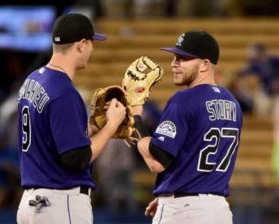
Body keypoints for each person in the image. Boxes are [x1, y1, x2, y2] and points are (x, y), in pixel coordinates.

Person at [16, 13, 126, 224]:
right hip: (59, 203)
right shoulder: (64, 92)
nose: (92, 49)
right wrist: (111, 125)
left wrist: (87, 130)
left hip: (31, 203)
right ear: (81, 44)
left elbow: (47, 135)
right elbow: (76, 158)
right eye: (92, 43)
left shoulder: (32, 79)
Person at [131, 30, 243, 223]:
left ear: (205, 64)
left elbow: (156, 162)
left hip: (182, 210)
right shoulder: (233, 103)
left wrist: (136, 120)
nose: (174, 63)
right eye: (175, 57)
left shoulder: (183, 100)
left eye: (183, 58)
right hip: (219, 211)